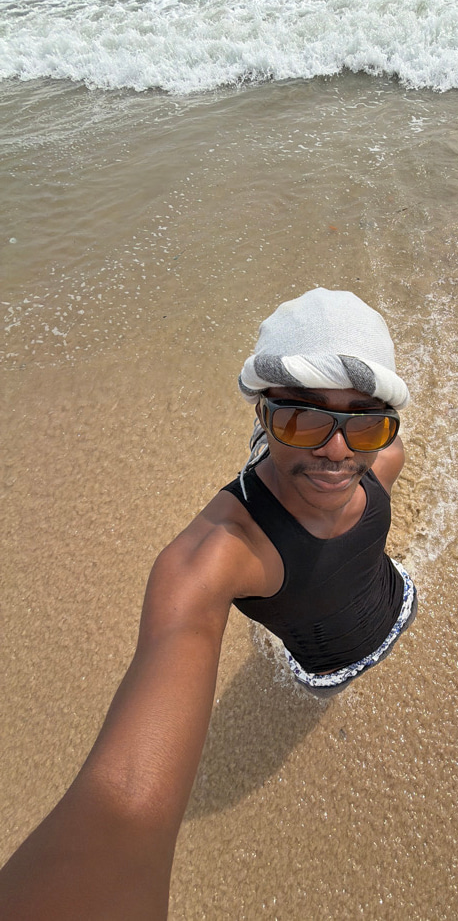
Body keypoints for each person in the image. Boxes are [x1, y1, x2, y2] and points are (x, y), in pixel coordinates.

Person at [0, 288, 416, 919]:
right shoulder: (212, 558)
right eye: (300, 419)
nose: (337, 452)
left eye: (363, 421)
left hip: (401, 601)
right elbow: (125, 807)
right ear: (263, 414)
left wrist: (335, 437)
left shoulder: (386, 457)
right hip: (324, 668)